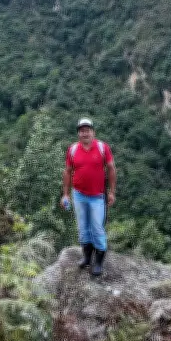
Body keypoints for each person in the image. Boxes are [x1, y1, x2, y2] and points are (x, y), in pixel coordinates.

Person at [61, 118, 116, 276]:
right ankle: (86, 258)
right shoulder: (72, 150)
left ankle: (98, 262)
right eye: (82, 130)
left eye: (88, 130)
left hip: (98, 196)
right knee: (83, 228)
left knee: (97, 228)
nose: (85, 133)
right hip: (78, 195)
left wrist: (112, 192)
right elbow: (67, 171)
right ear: (78, 133)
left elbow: (111, 169)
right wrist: (65, 194)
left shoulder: (102, 148)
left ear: (93, 132)